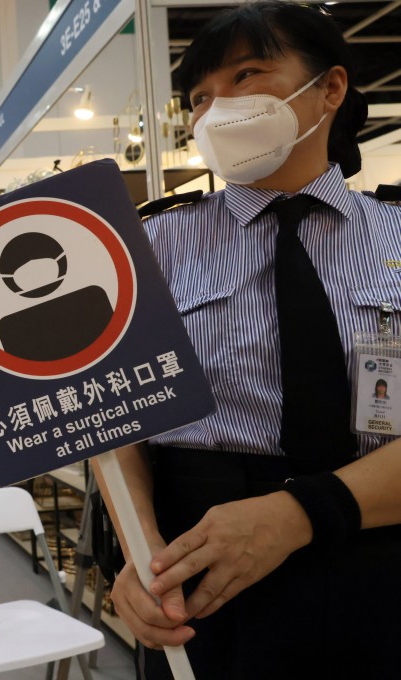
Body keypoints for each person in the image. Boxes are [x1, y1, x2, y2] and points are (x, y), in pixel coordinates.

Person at [91, 3, 401, 679]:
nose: (216, 108)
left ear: (330, 88)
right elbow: (115, 423)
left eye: (246, 75)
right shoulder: (151, 246)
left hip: (381, 549)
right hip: (206, 572)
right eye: (200, 96)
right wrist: (139, 558)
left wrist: (299, 514)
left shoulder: (398, 233)